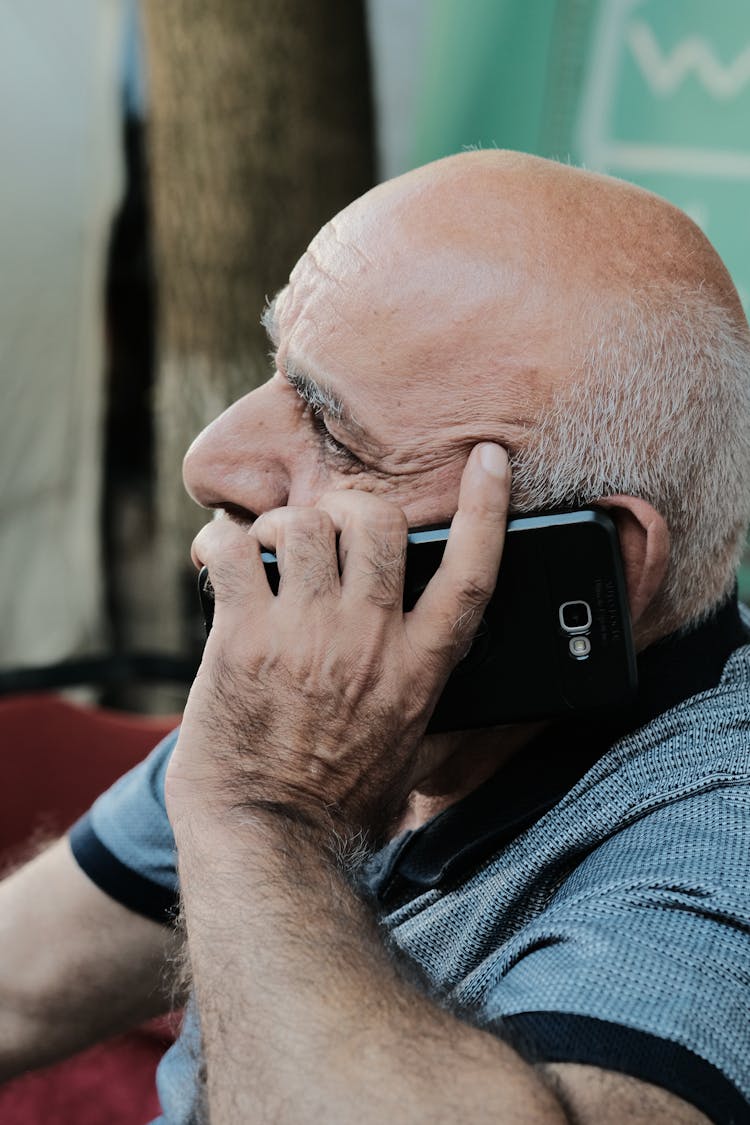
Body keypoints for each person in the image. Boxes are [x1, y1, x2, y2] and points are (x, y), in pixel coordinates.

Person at [3, 150, 750, 1124]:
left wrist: (267, 820)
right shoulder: (342, 693)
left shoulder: (715, 847)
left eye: (336, 433)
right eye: (278, 371)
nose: (210, 461)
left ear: (587, 568)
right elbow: (20, 984)